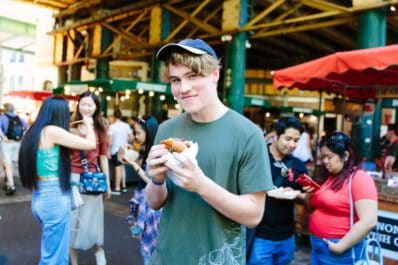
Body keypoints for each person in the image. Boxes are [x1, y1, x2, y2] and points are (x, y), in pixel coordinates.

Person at [145, 38, 273, 264]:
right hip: (165, 257)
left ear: (215, 74)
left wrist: (201, 185)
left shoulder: (248, 134)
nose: (183, 89)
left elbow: (254, 215)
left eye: (192, 76)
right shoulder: (167, 129)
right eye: (176, 80)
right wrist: (157, 179)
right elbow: (155, 202)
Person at [18, 96, 96, 265]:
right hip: (53, 196)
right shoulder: (52, 131)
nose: (68, 117)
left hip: (40, 196)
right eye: (66, 113)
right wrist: (89, 123)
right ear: (59, 113)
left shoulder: (33, 131)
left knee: (53, 253)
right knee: (54, 259)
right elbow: (91, 144)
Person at [307, 132, 378, 264]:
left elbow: (369, 221)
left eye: (329, 157)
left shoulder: (359, 178)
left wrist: (340, 247)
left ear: (345, 155)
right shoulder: (330, 176)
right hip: (318, 245)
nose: (325, 162)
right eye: (323, 157)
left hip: (339, 249)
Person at [247, 116, 309, 265]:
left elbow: (307, 199)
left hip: (287, 236)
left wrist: (299, 195)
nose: (292, 144)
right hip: (260, 236)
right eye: (288, 139)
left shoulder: (298, 165)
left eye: (296, 140)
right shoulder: (257, 158)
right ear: (275, 135)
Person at [69, 91, 111, 265]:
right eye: (83, 103)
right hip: (72, 179)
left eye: (90, 105)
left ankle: (100, 257)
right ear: (78, 104)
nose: (86, 107)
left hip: (93, 179)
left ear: (96, 108)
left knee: (92, 222)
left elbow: (103, 157)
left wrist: (108, 182)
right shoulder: (70, 126)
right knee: (72, 222)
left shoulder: (101, 128)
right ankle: (73, 261)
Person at [122, 115, 161, 265]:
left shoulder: (157, 152)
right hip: (148, 204)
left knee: (150, 251)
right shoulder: (149, 149)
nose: (136, 136)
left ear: (149, 132)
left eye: (139, 133)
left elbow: (153, 180)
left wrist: (135, 165)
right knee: (148, 249)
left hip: (154, 208)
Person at [0, 103, 29, 195]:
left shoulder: (3, 117)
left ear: (5, 109)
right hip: (17, 143)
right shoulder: (18, 118)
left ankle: (11, 185)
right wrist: (23, 137)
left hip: (7, 143)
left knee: (8, 164)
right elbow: (28, 127)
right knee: (12, 163)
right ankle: (8, 182)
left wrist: (3, 137)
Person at [108, 109, 133, 195]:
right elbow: (131, 138)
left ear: (114, 116)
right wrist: (126, 141)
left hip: (116, 149)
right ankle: (124, 186)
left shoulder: (112, 126)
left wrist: (108, 150)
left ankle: (117, 188)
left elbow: (110, 141)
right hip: (124, 149)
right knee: (122, 168)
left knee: (118, 168)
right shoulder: (126, 125)